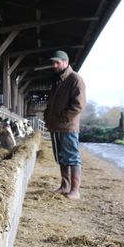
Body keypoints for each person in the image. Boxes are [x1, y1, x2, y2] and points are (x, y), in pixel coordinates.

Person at [43, 50, 86, 199]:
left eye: (58, 62)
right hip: (56, 125)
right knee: (61, 157)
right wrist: (47, 116)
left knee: (72, 156)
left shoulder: (75, 79)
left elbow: (78, 105)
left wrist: (63, 118)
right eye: (53, 63)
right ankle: (65, 185)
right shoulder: (58, 81)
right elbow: (52, 104)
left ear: (66, 63)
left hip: (67, 126)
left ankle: (75, 190)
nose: (54, 65)